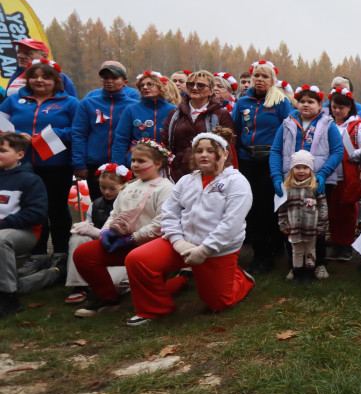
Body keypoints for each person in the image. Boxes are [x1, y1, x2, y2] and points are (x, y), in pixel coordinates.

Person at [124, 129, 255, 326]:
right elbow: (169, 214)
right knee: (137, 259)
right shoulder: (186, 180)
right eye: (199, 150)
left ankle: (242, 278)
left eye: (211, 150)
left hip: (216, 250)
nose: (204, 155)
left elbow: (231, 223)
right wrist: (179, 242)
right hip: (181, 244)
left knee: (218, 304)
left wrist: (204, 250)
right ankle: (154, 309)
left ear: (225, 154)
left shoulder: (237, 182)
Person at [72, 141, 174, 317]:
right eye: (133, 160)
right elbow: (115, 214)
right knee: (84, 254)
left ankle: (180, 280)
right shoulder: (129, 186)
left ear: (158, 163)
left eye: (141, 160)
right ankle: (108, 299)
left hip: (151, 246)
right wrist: (105, 232)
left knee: (155, 286)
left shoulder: (167, 188)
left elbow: (161, 224)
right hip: (124, 243)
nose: (135, 164)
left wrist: (132, 239)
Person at [0, 59, 79, 278]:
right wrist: (16, 138)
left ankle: (61, 252)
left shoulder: (70, 103)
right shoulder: (14, 100)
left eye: (46, 77)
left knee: (57, 208)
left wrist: (45, 137)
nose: (39, 80)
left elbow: (77, 130)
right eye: (34, 76)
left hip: (57, 164)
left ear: (56, 80)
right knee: (31, 209)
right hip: (21, 166)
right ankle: (38, 254)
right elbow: (0, 124)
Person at [270, 84, 344, 279]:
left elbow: (337, 151)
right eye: (302, 101)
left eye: (311, 102)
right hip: (291, 181)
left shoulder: (328, 124)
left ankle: (319, 263)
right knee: (292, 223)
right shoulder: (287, 123)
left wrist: (323, 174)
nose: (305, 105)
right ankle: (294, 265)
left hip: (318, 182)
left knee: (315, 223)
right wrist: (277, 176)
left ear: (320, 104)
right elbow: (276, 151)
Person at [232, 60, 293, 275]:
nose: (259, 79)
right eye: (256, 75)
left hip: (270, 160)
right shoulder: (242, 103)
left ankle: (271, 251)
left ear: (272, 80)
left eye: (265, 76)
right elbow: (236, 130)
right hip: (247, 161)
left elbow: (288, 132)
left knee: (268, 208)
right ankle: (259, 253)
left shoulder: (280, 101)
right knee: (252, 208)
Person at [72, 60, 138, 201]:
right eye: (105, 78)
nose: (109, 81)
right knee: (98, 204)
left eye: (114, 78)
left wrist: (128, 161)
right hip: (95, 164)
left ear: (125, 82)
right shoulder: (87, 103)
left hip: (124, 165)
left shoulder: (133, 106)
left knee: (125, 204)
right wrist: (79, 163)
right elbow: (78, 134)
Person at [64, 163, 129, 305]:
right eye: (103, 187)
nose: (106, 192)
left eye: (113, 188)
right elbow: (90, 223)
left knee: (115, 284)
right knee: (78, 237)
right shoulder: (95, 204)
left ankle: (113, 289)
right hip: (99, 246)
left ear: (124, 185)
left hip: (121, 249)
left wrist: (96, 232)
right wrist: (87, 227)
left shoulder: (129, 202)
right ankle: (79, 285)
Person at [0, 133, 49, 319]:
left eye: (3, 150)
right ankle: (52, 275)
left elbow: (37, 214)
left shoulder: (30, 180)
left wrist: (4, 224)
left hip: (23, 233)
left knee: (1, 239)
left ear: (20, 155)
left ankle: (8, 297)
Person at [162, 70, 233, 182]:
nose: (194, 88)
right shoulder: (175, 113)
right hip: (177, 171)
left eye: (200, 85)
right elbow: (166, 143)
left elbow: (229, 146)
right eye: (190, 84)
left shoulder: (220, 114)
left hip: (209, 171)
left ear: (210, 91)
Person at [326, 88, 361, 262]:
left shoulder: (358, 126)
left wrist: (347, 155)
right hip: (331, 175)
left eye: (342, 107)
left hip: (348, 174)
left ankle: (347, 244)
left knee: (348, 209)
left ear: (350, 107)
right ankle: (336, 243)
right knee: (332, 211)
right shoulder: (326, 124)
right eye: (335, 107)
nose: (338, 111)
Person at [277, 150, 328, 285]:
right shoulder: (287, 188)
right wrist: (283, 224)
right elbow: (282, 208)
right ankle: (298, 274)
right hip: (294, 228)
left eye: (305, 167)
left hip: (310, 228)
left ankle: (309, 274)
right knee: (297, 251)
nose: (301, 171)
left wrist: (321, 226)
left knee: (310, 250)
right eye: (297, 167)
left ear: (310, 169)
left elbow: (323, 207)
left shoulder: (315, 187)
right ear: (292, 169)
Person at [111, 71, 175, 166]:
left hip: (165, 164)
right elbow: (121, 140)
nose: (145, 87)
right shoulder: (131, 110)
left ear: (161, 86)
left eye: (150, 84)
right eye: (142, 85)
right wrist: (118, 166)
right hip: (136, 163)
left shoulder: (173, 110)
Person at [7, 38, 77, 98]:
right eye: (19, 52)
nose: (20, 56)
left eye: (27, 53)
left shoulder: (60, 78)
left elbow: (72, 107)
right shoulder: (16, 76)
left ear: (44, 56)